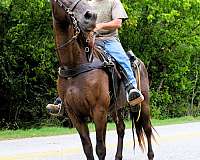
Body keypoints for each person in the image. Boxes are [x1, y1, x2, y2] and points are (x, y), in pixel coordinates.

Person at [46, 0, 144, 115]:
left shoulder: (113, 2)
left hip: (109, 40)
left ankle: (132, 89)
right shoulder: (87, 2)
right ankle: (62, 99)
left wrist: (99, 26)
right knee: (72, 62)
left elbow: (118, 23)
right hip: (91, 39)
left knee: (122, 59)